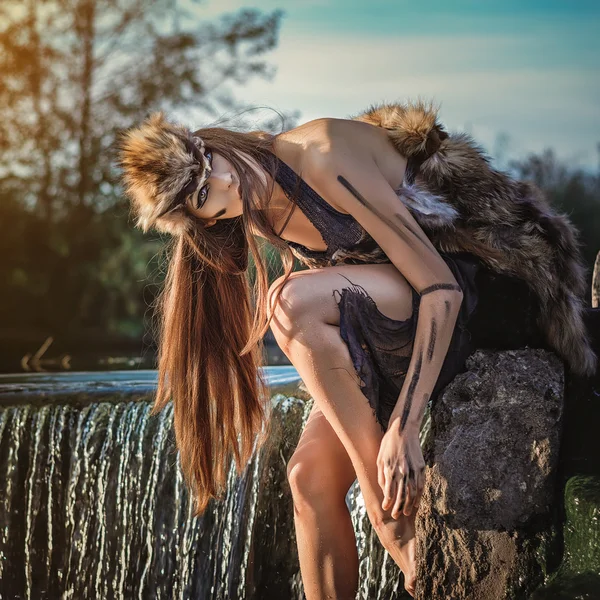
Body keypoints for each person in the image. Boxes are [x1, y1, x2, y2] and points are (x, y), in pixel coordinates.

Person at [116, 104, 593, 599]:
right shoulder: (261, 216)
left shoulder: (322, 155)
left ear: (209, 143)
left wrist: (404, 429)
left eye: (207, 171)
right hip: (402, 316)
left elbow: (441, 288)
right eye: (208, 205)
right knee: (308, 480)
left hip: (486, 285)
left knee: (286, 299)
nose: (225, 190)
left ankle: (388, 512)